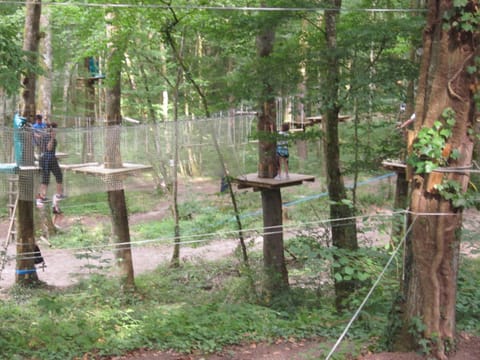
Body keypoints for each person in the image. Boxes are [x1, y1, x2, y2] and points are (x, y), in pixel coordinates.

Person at [37, 122, 65, 204]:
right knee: (57, 175)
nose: (56, 131)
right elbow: (49, 148)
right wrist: (52, 138)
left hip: (47, 159)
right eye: (55, 129)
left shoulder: (45, 137)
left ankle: (42, 197)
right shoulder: (49, 138)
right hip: (49, 159)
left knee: (46, 178)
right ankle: (58, 194)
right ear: (52, 130)